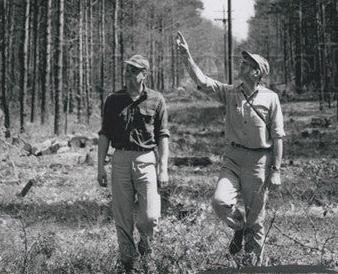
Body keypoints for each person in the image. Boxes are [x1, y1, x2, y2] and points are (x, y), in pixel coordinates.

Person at [175, 30, 284, 265]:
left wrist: (276, 170)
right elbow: (203, 82)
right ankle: (239, 225)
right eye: (243, 61)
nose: (242, 64)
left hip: (259, 162)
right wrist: (187, 56)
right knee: (220, 201)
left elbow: (278, 137)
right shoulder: (230, 92)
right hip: (233, 159)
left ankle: (252, 267)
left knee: (257, 222)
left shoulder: (271, 98)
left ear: (258, 72)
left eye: (248, 63)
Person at [97, 54, 170, 273]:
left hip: (146, 159)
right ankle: (128, 263)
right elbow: (104, 134)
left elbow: (163, 135)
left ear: (144, 74)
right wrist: (100, 166)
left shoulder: (156, 100)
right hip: (120, 159)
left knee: (150, 217)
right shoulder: (113, 100)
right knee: (122, 216)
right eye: (127, 69)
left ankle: (146, 250)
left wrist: (163, 168)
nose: (129, 73)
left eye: (134, 70)